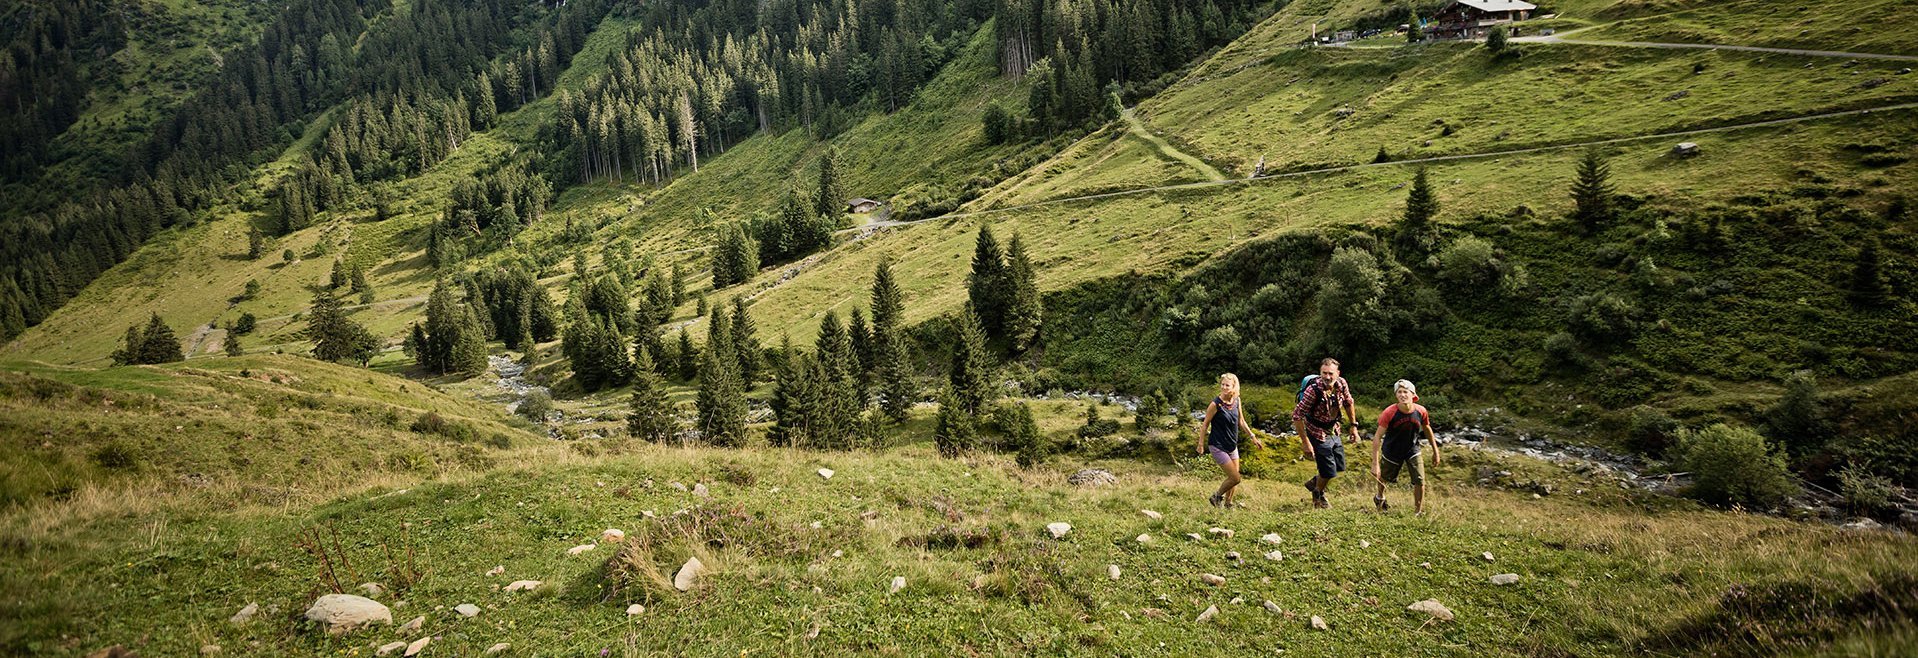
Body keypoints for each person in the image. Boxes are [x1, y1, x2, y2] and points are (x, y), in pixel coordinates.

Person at [1292, 358, 1359, 509]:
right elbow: (1296, 415)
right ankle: (1318, 496)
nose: (1328, 377)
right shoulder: (1313, 391)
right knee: (1328, 470)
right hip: (1316, 431)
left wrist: (1353, 425)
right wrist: (1305, 442)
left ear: (1338, 373)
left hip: (1334, 428)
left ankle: (1314, 483)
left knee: (1339, 466)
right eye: (1324, 373)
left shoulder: (1341, 384)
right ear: (1320, 372)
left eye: (1331, 373)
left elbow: (1349, 402)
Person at [1197, 373, 1269, 508]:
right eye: (1222, 384)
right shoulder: (1215, 404)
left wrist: (1253, 437)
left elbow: (1241, 422)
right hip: (1217, 445)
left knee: (1235, 479)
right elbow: (1205, 424)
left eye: (1227, 385)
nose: (1224, 387)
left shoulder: (1237, 401)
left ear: (1234, 387)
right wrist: (1200, 444)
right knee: (1235, 478)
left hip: (1232, 444)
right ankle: (1216, 497)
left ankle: (1228, 503)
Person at [1371, 379, 1442, 513]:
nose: (1402, 395)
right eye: (1399, 392)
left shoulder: (1421, 411)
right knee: (1384, 478)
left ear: (1413, 395)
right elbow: (1377, 437)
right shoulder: (1389, 412)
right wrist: (1375, 463)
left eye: (1405, 392)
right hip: (1392, 450)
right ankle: (1379, 497)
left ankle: (1418, 512)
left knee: (1420, 480)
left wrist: (1435, 451)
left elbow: (1427, 429)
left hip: (1412, 449)